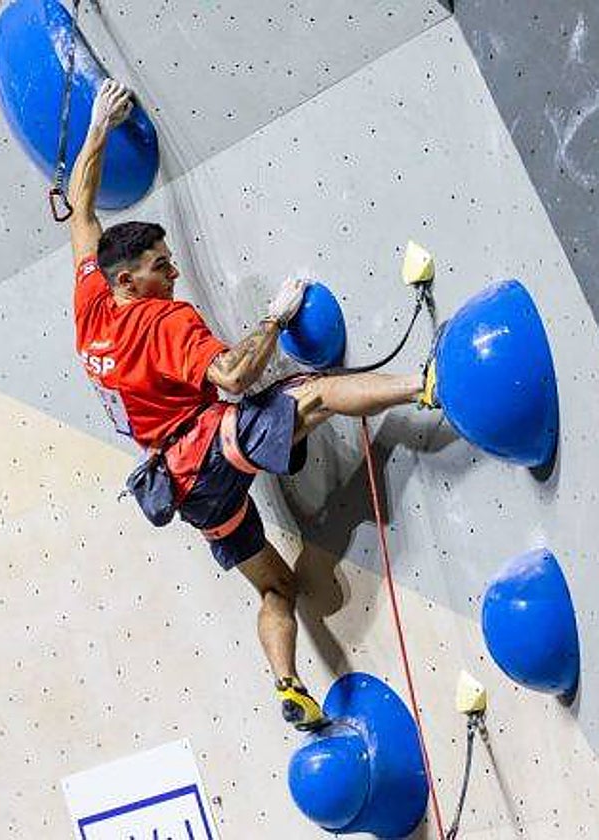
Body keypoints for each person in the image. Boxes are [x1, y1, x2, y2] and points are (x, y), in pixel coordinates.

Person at [69, 79, 434, 731]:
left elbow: (81, 213)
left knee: (275, 586)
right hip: (207, 453)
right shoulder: (161, 320)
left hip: (185, 492)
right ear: (129, 281)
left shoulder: (92, 309)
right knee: (313, 392)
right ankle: (427, 386)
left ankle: (289, 683)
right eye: (161, 266)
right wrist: (275, 317)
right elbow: (235, 375)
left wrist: (96, 127)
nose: (174, 272)